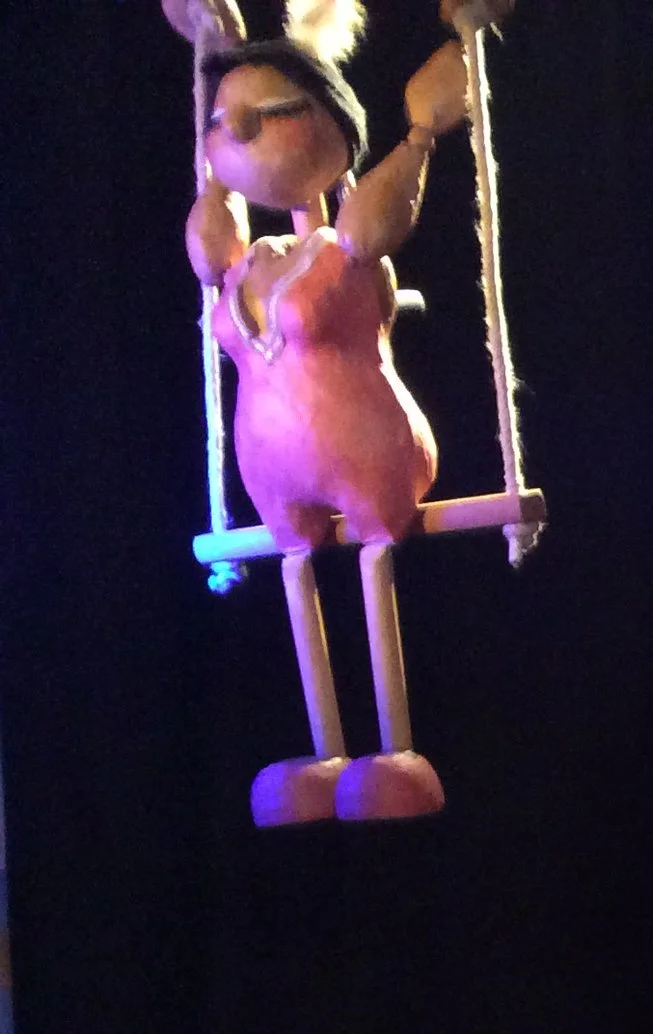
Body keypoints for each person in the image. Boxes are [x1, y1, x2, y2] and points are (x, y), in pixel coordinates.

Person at [175, 0, 490, 822]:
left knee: (373, 564)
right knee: (296, 570)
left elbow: (376, 224)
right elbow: (208, 243)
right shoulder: (247, 261)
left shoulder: (344, 245)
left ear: (329, 127)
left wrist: (420, 135)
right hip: (274, 469)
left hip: (368, 449)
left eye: (266, 114)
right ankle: (323, 752)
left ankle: (394, 748)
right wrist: (212, 46)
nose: (240, 133)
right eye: (225, 122)